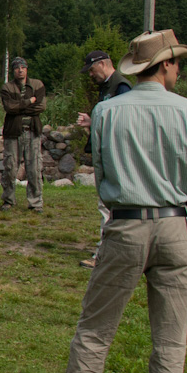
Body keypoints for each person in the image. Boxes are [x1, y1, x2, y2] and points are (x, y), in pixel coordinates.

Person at [30, 29, 187, 373]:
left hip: (126, 223)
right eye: (176, 62)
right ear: (166, 66)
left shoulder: (107, 111)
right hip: (175, 225)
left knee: (94, 332)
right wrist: (186, 225)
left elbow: (104, 173)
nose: (178, 68)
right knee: (171, 344)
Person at [76, 50, 133, 268]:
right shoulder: (108, 87)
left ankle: (104, 253)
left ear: (102, 65)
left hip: (116, 154)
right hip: (108, 152)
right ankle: (111, 248)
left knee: (107, 203)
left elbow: (123, 122)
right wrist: (93, 122)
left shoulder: (121, 87)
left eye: (92, 70)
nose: (90, 75)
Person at [0, 57, 46, 212]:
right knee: (10, 166)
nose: (20, 70)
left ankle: (35, 202)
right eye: (17, 68)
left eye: (23, 67)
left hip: (33, 130)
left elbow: (41, 106)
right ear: (13, 70)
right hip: (13, 132)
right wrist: (28, 102)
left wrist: (20, 106)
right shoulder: (8, 87)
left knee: (34, 167)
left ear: (27, 69)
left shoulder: (37, 85)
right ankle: (8, 199)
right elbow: (9, 108)